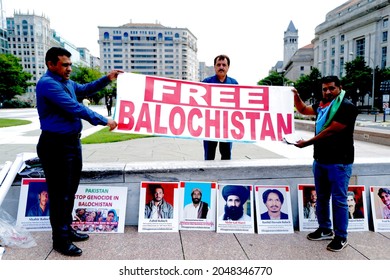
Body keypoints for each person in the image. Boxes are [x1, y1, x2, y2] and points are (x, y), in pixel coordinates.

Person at [36, 47, 122, 257]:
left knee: (69, 192)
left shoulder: (66, 82)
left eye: (70, 64)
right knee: (59, 196)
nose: (69, 68)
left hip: (71, 144)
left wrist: (107, 78)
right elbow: (75, 107)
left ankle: (67, 229)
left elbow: (85, 88)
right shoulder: (48, 84)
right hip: (56, 145)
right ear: (51, 64)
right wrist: (104, 120)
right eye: (64, 64)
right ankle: (60, 240)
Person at [292, 75, 358, 252]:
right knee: (321, 197)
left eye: (331, 88)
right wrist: (295, 96)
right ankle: (325, 229)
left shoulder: (346, 107)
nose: (327, 92)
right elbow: (303, 110)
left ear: (339, 88)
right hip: (320, 160)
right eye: (324, 89)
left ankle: (341, 237)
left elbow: (330, 131)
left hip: (339, 162)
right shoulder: (322, 105)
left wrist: (306, 142)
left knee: (339, 200)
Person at [202, 54, 238, 160]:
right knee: (209, 157)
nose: (221, 67)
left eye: (224, 65)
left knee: (226, 156)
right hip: (210, 125)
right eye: (218, 64)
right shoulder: (206, 83)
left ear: (228, 67)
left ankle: (225, 177)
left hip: (227, 126)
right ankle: (209, 177)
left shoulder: (234, 84)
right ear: (214, 67)